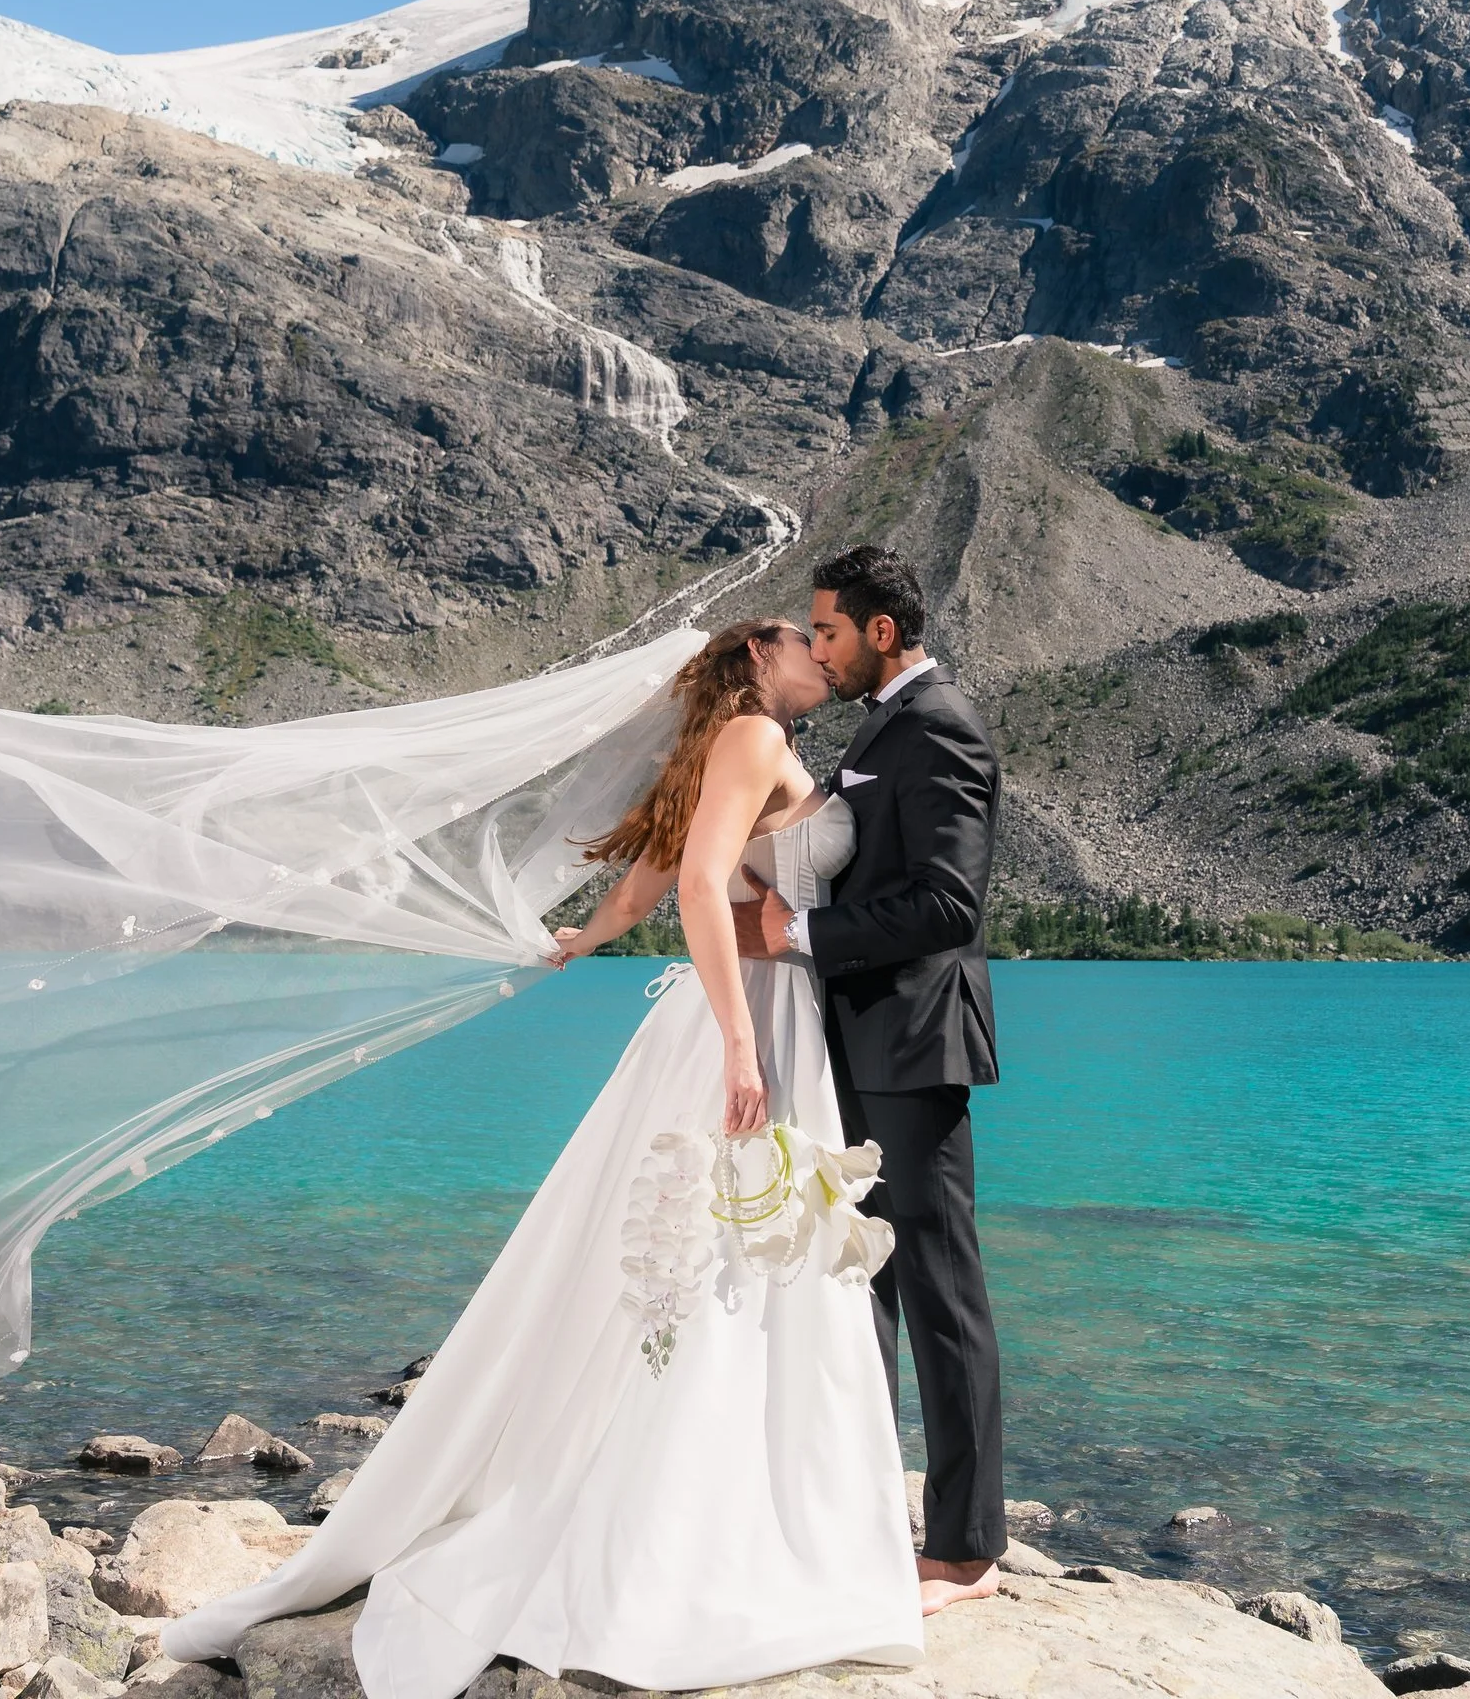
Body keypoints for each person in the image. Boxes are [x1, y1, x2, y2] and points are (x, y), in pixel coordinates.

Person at [164, 616, 925, 1699]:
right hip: (751, 1014)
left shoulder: (736, 744)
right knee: (718, 1251)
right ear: (759, 655)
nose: (821, 646)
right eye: (804, 636)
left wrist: (583, 939)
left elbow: (647, 880)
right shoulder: (754, 737)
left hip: (760, 1010)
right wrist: (739, 1043)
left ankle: (701, 1493)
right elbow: (699, 887)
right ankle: (703, 1522)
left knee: (714, 1247)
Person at [730, 544, 1007, 1616]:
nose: (820, 649)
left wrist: (795, 932)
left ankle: (968, 1550)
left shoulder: (942, 725)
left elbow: (948, 904)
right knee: (866, 1283)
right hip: (853, 1040)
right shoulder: (881, 724)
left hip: (916, 1042)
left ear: (881, 630)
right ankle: (864, 1518)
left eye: (830, 631)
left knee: (941, 1290)